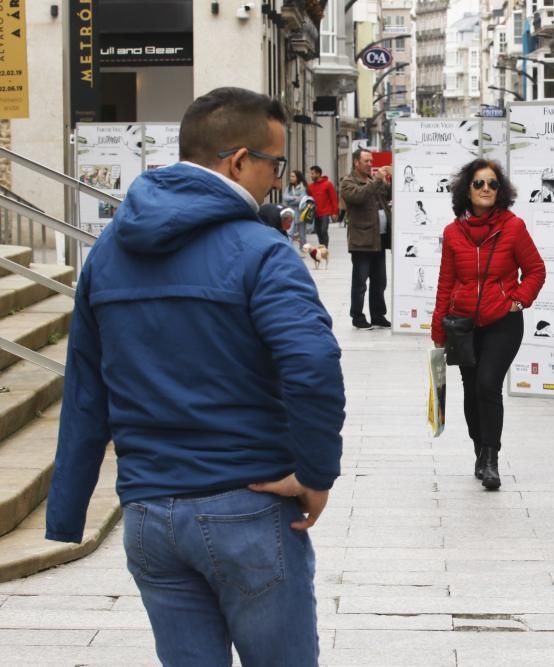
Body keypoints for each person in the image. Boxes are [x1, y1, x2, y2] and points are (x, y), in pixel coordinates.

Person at [44, 87, 346, 667]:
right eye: (274, 165)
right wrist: (314, 473)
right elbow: (312, 364)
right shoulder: (262, 251)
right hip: (248, 506)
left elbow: (85, 387)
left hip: (150, 514)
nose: (277, 181)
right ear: (238, 161)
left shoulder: (107, 253)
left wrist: (68, 509)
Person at [431, 158, 546, 490]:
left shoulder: (513, 227)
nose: (485, 189)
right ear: (467, 190)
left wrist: (518, 299)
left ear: (501, 190)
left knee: (487, 384)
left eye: (492, 184)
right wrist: (438, 329)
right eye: (479, 183)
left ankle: (492, 458)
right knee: (470, 391)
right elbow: (445, 283)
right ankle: (480, 450)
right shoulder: (453, 233)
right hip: (463, 324)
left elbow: (536, 269)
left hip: (503, 323)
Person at [340, 148, 392, 329]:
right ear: (356, 162)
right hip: (361, 240)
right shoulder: (348, 182)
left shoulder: (372, 180)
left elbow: (388, 194)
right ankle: (358, 317)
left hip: (379, 239)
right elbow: (360, 197)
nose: (370, 164)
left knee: (380, 282)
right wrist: (378, 180)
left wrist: (393, 177)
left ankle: (378, 315)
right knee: (360, 283)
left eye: (371, 161)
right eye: (367, 161)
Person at [307, 165, 338, 248]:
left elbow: (333, 199)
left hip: (325, 212)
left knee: (324, 230)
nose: (311, 175)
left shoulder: (328, 184)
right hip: (315, 213)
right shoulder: (310, 187)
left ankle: (325, 248)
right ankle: (322, 246)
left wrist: (334, 212)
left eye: (313, 173)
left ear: (318, 174)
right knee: (318, 231)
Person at [283, 169, 308, 247]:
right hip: (291, 212)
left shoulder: (302, 187)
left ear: (298, 177)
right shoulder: (289, 187)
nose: (291, 178)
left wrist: (291, 200)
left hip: (301, 212)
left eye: (293, 176)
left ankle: (303, 248)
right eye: (290, 176)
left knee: (302, 233)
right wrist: (293, 198)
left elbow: (302, 199)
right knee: (289, 231)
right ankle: (290, 248)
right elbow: (285, 197)